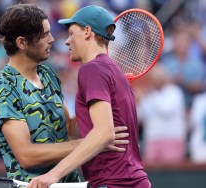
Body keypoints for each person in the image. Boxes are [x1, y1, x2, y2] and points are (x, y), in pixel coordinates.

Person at [0, 4, 129, 183]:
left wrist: (99, 99)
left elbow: (69, 130)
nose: (52, 39)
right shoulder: (3, 87)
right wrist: (94, 143)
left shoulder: (48, 75)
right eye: (44, 34)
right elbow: (26, 155)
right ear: (21, 42)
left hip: (71, 183)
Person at [28, 5, 151, 188]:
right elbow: (93, 129)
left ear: (87, 32)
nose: (67, 41)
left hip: (114, 183)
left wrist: (52, 175)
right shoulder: (112, 70)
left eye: (71, 34)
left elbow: (104, 133)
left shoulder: (91, 69)